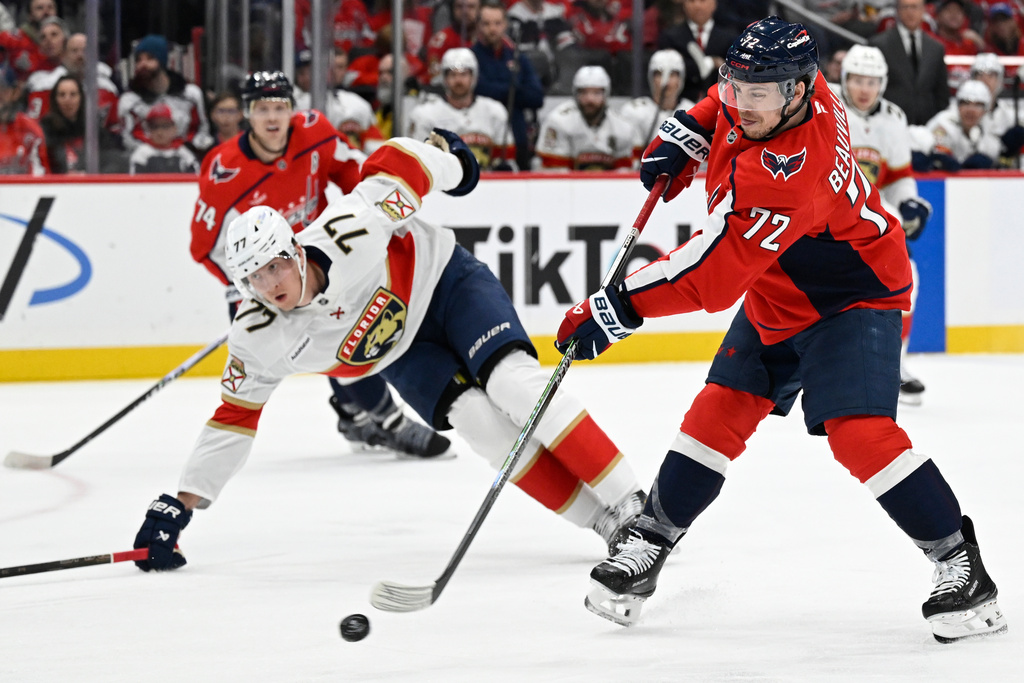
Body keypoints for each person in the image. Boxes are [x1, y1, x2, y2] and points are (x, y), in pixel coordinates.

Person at [556, 16, 1007, 644]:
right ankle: (652, 537)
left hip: (852, 296)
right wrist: (697, 122)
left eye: (758, 94)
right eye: (734, 85)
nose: (743, 102)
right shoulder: (798, 88)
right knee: (718, 411)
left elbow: (709, 277)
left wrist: (616, 308)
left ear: (796, 92)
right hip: (781, 286)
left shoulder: (788, 172)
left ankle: (962, 564)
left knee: (861, 434)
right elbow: (735, 93)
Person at [132, 129, 647, 572]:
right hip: (400, 353)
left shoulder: (352, 229)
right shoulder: (258, 335)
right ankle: (603, 523)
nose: (270, 285)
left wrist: (454, 164)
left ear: (294, 248)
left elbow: (399, 165)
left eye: (275, 265)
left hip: (446, 286)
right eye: (254, 277)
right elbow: (232, 420)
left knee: (512, 383)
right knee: (478, 424)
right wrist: (180, 505)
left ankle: (633, 505)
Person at [190, 71, 449, 459]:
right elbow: (202, 245)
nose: (272, 118)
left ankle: (359, 415)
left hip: (319, 260)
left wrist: (371, 219)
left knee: (345, 332)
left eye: (280, 107)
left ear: (293, 110)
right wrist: (241, 286)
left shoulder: (316, 132)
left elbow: (354, 177)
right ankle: (381, 420)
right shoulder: (223, 168)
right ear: (247, 113)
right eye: (262, 109)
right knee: (309, 344)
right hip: (264, 278)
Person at [837, 45, 933, 405]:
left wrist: (908, 201)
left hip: (873, 220)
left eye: (873, 81)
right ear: (845, 79)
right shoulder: (826, 109)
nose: (865, 88)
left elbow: (898, 176)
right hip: (824, 219)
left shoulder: (893, 118)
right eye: (858, 80)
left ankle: (893, 365)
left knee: (907, 277)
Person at [407, 47, 513, 168]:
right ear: (444, 78)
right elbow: (417, 163)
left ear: (474, 77)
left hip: (488, 182)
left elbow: (507, 161)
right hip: (443, 184)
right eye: (453, 74)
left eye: (464, 74)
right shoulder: (424, 115)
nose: (458, 80)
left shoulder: (495, 111)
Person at [473, 0, 545, 170]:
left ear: (505, 24)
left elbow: (537, 97)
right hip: (482, 137)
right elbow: (478, 90)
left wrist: (507, 92)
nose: (493, 29)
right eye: (487, 23)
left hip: (518, 135)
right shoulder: (471, 58)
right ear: (478, 26)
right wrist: (513, 90)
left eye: (497, 23)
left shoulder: (518, 57)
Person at [117, 34, 212, 155]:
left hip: (186, 163)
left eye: (150, 58)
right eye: (138, 60)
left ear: (162, 61)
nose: (143, 64)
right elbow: (126, 138)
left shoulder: (191, 94)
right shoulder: (128, 100)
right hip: (145, 165)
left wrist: (182, 151)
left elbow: (203, 131)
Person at [534, 65, 637, 170]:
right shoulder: (558, 121)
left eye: (596, 93)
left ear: (606, 94)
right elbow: (554, 173)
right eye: (584, 92)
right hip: (569, 185)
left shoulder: (622, 126)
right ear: (575, 94)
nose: (590, 99)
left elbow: (625, 172)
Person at [869, 0, 949, 125]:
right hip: (888, 123)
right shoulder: (879, 45)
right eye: (905, 7)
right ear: (897, 10)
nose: (910, 12)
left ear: (923, 10)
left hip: (927, 127)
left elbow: (941, 93)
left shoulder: (936, 48)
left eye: (914, 7)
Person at [618, 49, 696, 159]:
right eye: (659, 74)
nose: (666, 82)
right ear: (651, 78)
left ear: (681, 79)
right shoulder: (634, 111)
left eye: (672, 74)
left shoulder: (693, 112)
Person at [39, 74, 124, 174]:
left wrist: (89, 175)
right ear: (55, 99)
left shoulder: (92, 128)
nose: (67, 100)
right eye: (62, 95)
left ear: (81, 98)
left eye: (73, 94)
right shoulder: (46, 129)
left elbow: (114, 160)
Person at [656, 0, 735, 103]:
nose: (697, 5)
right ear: (684, 4)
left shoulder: (730, 38)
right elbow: (668, 70)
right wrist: (712, 62)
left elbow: (732, 74)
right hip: (680, 105)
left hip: (719, 103)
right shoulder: (670, 37)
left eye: (703, 1)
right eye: (692, 1)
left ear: (714, 4)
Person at [924, 79, 1002, 170]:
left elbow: (994, 155)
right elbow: (938, 159)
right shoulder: (944, 124)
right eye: (965, 103)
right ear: (957, 105)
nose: (971, 110)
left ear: (985, 110)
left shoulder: (989, 125)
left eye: (978, 105)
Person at [970, 52, 1024, 166]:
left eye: (991, 75)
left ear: (1000, 79)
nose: (985, 80)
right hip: (967, 172)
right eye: (980, 75)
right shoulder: (958, 113)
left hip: (1002, 175)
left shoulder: (1010, 115)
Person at [0, 64, 48, 175]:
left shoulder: (29, 128)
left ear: (16, 92)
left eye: (3, 89)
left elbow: (41, 173)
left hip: (24, 190)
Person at [127, 102, 200, 174]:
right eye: (154, 127)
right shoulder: (142, 153)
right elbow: (136, 183)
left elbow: (195, 180)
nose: (159, 132)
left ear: (175, 129)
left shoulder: (184, 154)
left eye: (165, 126)